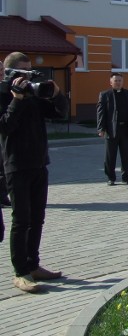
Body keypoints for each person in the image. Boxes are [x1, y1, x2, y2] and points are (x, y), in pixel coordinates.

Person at [0, 52, 68, 293]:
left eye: (30, 72)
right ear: (10, 73)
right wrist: (16, 99)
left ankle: (34, 264)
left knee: (38, 218)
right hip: (16, 166)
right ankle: (20, 272)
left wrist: (57, 94)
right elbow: (5, 127)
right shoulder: (3, 94)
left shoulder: (33, 94)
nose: (27, 78)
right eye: (23, 73)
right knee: (21, 220)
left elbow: (61, 113)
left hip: (39, 164)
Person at [97, 72, 128, 186]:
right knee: (110, 156)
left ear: (123, 82)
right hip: (111, 129)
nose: (118, 83)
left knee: (126, 155)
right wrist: (101, 128)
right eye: (115, 80)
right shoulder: (105, 95)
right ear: (111, 82)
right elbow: (101, 113)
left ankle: (126, 177)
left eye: (120, 80)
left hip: (126, 129)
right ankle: (111, 178)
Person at [0, 61, 10, 207]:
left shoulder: (5, 89)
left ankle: (3, 196)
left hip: (4, 136)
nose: (1, 72)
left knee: (4, 168)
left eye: (2, 69)